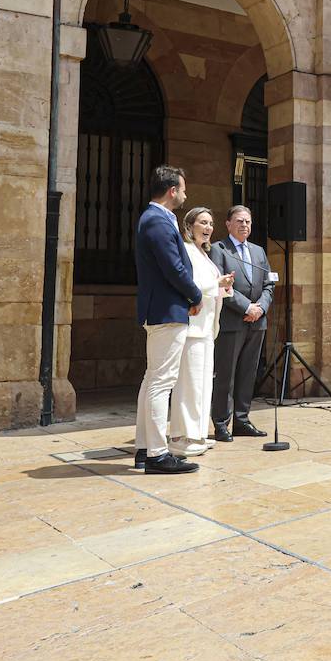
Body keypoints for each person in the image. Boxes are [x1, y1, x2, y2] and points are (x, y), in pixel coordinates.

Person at [133, 165, 202, 475]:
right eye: (183, 189)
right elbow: (174, 268)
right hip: (165, 310)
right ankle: (158, 454)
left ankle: (145, 448)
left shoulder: (159, 219)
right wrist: (195, 295)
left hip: (163, 309)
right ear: (172, 190)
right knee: (161, 383)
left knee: (153, 380)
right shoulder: (157, 220)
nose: (185, 194)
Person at [169, 208, 233, 457]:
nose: (208, 228)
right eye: (203, 223)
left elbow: (210, 287)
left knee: (204, 381)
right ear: (190, 225)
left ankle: (198, 433)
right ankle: (181, 437)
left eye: (210, 223)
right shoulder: (185, 250)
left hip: (207, 327)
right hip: (193, 326)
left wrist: (224, 285)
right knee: (189, 382)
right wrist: (215, 284)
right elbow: (188, 284)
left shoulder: (204, 254)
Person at [211, 205, 274, 441]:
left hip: (257, 322)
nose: (244, 225)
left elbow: (269, 283)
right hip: (232, 321)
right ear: (228, 224)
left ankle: (242, 420)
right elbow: (221, 284)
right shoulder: (219, 250)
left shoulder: (258, 251)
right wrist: (247, 307)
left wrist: (261, 308)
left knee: (248, 373)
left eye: (247, 221)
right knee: (226, 374)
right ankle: (220, 423)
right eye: (239, 221)